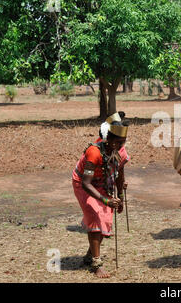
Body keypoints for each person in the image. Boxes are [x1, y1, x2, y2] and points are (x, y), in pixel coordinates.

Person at [72, 116, 129, 278]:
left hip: (102, 183)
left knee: (105, 220)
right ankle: (96, 263)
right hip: (83, 183)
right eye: (117, 142)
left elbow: (119, 175)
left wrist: (119, 198)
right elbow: (86, 183)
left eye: (123, 142)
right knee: (95, 216)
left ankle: (90, 256)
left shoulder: (118, 153)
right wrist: (105, 200)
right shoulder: (94, 152)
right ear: (108, 139)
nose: (120, 146)